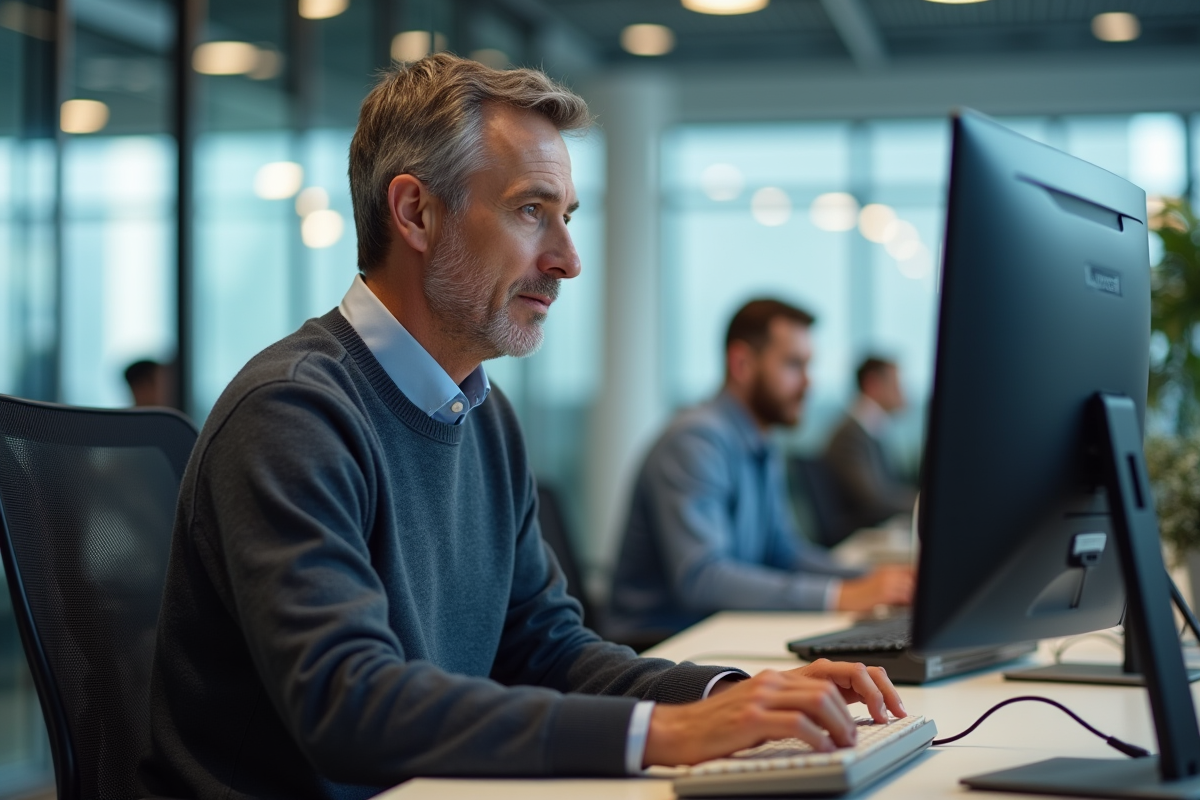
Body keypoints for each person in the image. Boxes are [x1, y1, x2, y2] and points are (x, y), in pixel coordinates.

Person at [139, 56, 906, 800]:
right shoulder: (292, 412)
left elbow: (545, 647)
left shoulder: (483, 412)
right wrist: (662, 733)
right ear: (415, 213)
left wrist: (730, 696)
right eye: (531, 211)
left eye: (566, 217)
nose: (568, 260)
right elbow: (350, 702)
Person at [608, 300, 915, 640]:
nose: (808, 383)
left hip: (724, 630)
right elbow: (702, 578)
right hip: (664, 643)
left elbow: (783, 552)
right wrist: (839, 595)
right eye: (793, 365)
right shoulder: (695, 442)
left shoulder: (761, 441)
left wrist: (870, 578)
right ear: (742, 363)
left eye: (808, 366)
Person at [823, 356, 918, 533]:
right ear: (873, 384)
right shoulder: (851, 436)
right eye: (896, 385)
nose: (903, 392)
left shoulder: (871, 430)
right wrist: (922, 503)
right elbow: (873, 501)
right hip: (862, 534)